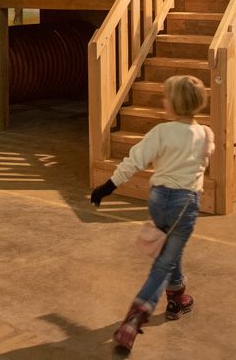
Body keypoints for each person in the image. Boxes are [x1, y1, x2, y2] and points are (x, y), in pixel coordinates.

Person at [90, 75, 215, 354]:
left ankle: (177, 297)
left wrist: (107, 187)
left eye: (167, 97)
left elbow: (134, 161)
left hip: (158, 200)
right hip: (185, 204)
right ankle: (136, 316)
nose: (163, 101)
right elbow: (205, 159)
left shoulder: (160, 132)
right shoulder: (206, 134)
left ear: (176, 103)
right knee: (164, 262)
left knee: (169, 250)